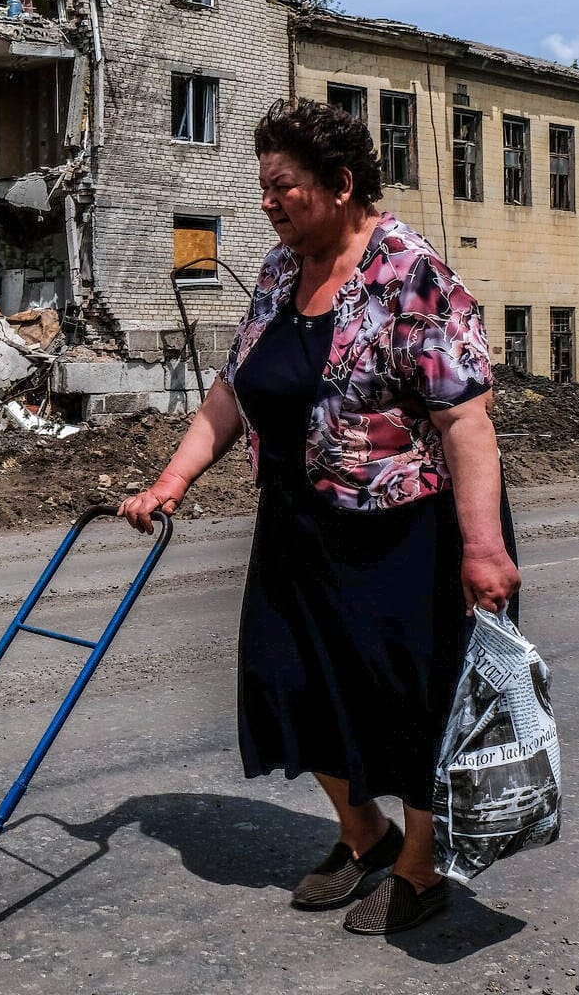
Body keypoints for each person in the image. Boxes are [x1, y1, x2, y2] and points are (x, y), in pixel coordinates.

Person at [119, 98, 521, 936]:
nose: (269, 202)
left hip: (402, 529)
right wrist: (170, 482)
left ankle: (420, 863)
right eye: (264, 186)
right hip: (298, 522)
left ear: (341, 186)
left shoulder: (413, 275)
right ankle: (362, 833)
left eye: (283, 187)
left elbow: (466, 421)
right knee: (287, 678)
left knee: (403, 699)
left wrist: (483, 548)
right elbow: (232, 389)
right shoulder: (279, 269)